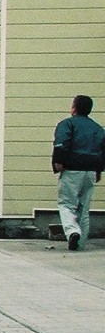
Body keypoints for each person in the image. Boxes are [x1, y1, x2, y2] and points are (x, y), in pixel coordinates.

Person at [53, 94, 105, 251]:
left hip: (72, 169)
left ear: (73, 108)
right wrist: (99, 170)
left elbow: (61, 143)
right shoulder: (98, 128)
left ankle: (72, 232)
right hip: (91, 170)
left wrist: (58, 161)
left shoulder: (67, 124)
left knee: (66, 204)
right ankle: (80, 243)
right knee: (84, 207)